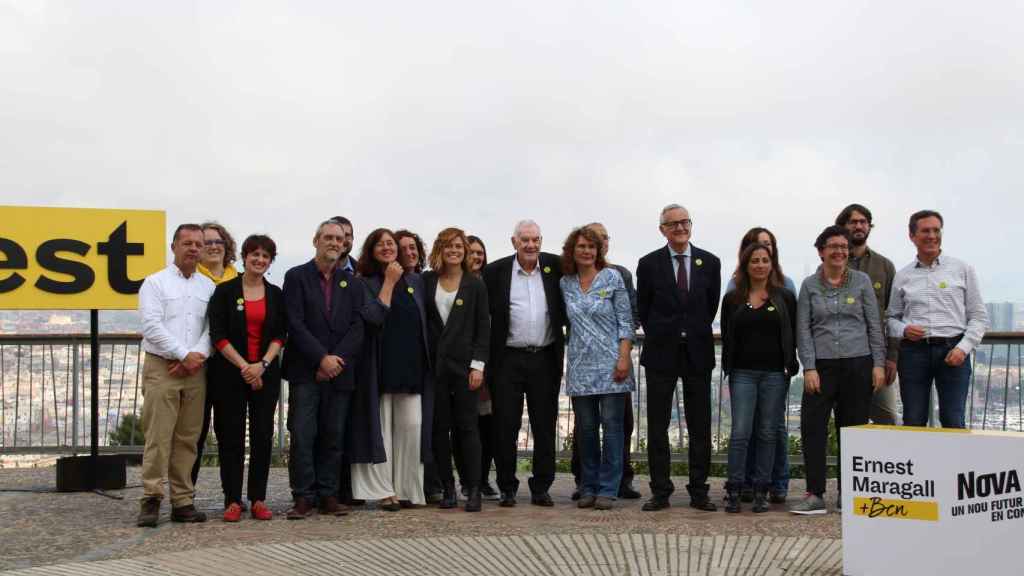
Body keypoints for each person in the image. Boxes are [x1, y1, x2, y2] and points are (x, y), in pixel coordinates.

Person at [792, 226, 885, 515]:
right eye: (833, 246)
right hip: (822, 367)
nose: (839, 251)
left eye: (844, 247)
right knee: (812, 428)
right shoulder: (809, 285)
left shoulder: (862, 282)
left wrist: (879, 364)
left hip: (859, 363)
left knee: (853, 430)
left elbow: (873, 324)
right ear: (820, 251)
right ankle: (815, 493)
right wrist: (808, 367)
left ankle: (850, 493)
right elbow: (803, 329)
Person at [636, 204, 721, 512]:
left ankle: (699, 490)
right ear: (662, 230)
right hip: (661, 353)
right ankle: (660, 491)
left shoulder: (710, 262)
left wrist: (690, 330)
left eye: (684, 222)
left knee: (701, 426)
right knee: (657, 426)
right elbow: (644, 308)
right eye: (673, 224)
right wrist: (668, 331)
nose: (680, 228)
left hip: (697, 353)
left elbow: (710, 306)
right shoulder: (648, 264)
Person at [282, 219, 366, 519]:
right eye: (328, 237)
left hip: (340, 372)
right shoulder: (296, 277)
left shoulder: (353, 283)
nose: (334, 242)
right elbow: (295, 323)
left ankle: (328, 493)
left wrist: (335, 360)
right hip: (306, 371)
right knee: (303, 435)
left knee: (334, 434)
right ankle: (303, 496)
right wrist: (321, 359)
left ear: (345, 244)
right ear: (315, 240)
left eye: (340, 238)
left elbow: (359, 325)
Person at [482, 220, 566, 508]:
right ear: (513, 242)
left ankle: (541, 486)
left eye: (535, 240)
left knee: (545, 425)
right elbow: (483, 316)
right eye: (525, 240)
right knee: (505, 425)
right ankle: (507, 486)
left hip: (544, 357)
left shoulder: (555, 266)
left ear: (541, 241)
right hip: (507, 358)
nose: (531, 245)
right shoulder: (496, 271)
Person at [136, 223, 215, 527]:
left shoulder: (207, 287)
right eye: (188, 243)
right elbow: (152, 326)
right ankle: (151, 497)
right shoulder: (154, 284)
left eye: (198, 244)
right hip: (162, 367)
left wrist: (194, 357)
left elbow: (211, 328)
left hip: (196, 369)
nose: (194, 249)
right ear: (174, 247)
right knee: (158, 436)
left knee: (188, 438)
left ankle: (183, 500)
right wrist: (183, 354)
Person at [350, 228, 433, 511]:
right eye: (381, 244)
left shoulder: (416, 281)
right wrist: (389, 281)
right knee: (381, 431)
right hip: (379, 368)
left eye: (391, 243)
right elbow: (373, 318)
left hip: (412, 368)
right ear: (371, 251)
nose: (387, 248)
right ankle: (385, 491)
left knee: (412, 429)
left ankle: (408, 489)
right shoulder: (365, 283)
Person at [206, 234, 286, 521]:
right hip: (230, 374)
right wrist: (245, 367)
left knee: (263, 435)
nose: (260, 260)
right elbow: (218, 335)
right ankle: (232, 499)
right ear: (244, 256)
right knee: (231, 436)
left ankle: (258, 498)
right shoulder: (225, 291)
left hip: (265, 374)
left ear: (270, 261)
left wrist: (261, 365)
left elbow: (280, 334)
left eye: (265, 256)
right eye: (255, 255)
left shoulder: (276, 293)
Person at [887, 210, 988, 428]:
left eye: (936, 230)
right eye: (925, 231)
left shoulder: (962, 269)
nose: (932, 236)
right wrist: (903, 330)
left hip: (954, 350)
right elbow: (891, 319)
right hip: (914, 353)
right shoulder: (903, 275)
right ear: (912, 236)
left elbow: (979, 316)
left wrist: (964, 348)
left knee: (953, 420)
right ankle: (916, 463)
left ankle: (956, 463)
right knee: (913, 420)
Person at [720, 243, 798, 513]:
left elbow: (793, 332)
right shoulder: (732, 299)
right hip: (742, 373)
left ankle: (763, 489)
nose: (760, 265)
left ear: (772, 264)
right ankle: (735, 488)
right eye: (755, 260)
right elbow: (728, 333)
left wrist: (791, 364)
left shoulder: (785, 296)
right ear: (746, 264)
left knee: (767, 432)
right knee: (740, 432)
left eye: (765, 260)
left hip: (775, 373)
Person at [560, 227, 635, 510]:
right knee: (587, 430)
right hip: (580, 366)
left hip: (612, 364)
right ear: (573, 250)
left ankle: (608, 488)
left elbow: (626, 321)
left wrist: (624, 357)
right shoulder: (565, 283)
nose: (587, 251)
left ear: (599, 250)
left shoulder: (613, 278)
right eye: (581, 246)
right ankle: (588, 486)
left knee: (613, 430)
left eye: (592, 246)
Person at [422, 227, 490, 512]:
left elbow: (482, 330)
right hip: (435, 367)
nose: (454, 251)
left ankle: (473, 488)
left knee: (467, 428)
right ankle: (447, 487)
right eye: (448, 246)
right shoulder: (427, 281)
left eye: (459, 247)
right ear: (440, 249)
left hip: (465, 368)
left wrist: (478, 366)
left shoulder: (474, 284)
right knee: (439, 429)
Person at [836, 204, 900, 424]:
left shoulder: (884, 266)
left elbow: (895, 314)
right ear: (843, 226)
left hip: (877, 356)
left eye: (863, 222)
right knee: (849, 418)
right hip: (842, 356)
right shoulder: (831, 265)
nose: (859, 226)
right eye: (853, 222)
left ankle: (891, 460)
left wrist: (892, 357)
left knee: (888, 416)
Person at [191, 222, 239, 492]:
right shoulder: (189, 280)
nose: (212, 246)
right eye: (206, 241)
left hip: (230, 368)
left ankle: (231, 497)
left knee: (230, 435)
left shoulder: (240, 280)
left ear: (226, 246)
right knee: (193, 435)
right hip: (196, 366)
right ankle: (185, 495)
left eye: (218, 241)